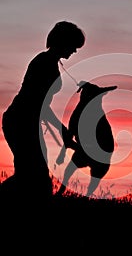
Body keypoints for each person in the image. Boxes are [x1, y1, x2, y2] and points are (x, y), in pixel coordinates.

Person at [1, 21, 86, 202]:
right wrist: (61, 130)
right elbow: (37, 104)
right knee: (33, 177)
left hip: (27, 122)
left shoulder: (50, 62)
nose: (75, 51)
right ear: (63, 41)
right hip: (19, 122)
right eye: (73, 45)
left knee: (33, 176)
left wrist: (61, 130)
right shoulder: (44, 63)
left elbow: (40, 105)